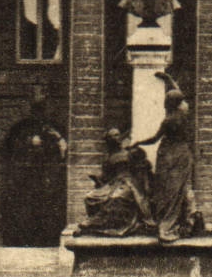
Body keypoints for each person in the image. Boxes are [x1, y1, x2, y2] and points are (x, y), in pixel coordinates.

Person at [131, 75, 202, 242]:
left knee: (168, 190)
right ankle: (185, 222)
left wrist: (138, 142)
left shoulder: (168, 120)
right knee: (181, 188)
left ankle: (166, 226)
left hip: (169, 155)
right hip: (183, 154)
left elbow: (154, 139)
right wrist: (169, 79)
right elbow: (180, 94)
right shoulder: (185, 116)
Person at [77, 128, 155, 238]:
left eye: (117, 135)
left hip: (129, 183)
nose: (116, 138)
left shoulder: (129, 153)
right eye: (113, 136)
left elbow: (143, 168)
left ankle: (95, 222)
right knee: (90, 197)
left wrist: (145, 184)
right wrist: (96, 178)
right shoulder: (108, 159)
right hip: (113, 184)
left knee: (116, 197)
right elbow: (105, 178)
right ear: (108, 140)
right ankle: (96, 223)